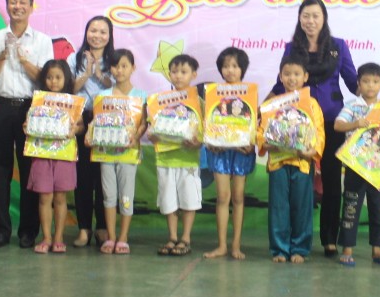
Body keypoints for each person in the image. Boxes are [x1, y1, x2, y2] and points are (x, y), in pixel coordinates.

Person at [272, 0, 357, 257]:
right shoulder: (292, 48)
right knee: (298, 183)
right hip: (297, 124)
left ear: (324, 18)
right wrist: (262, 110)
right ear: (299, 19)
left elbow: (354, 82)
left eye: (315, 16)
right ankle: (293, 240)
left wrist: (375, 102)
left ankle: (329, 238)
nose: (310, 21)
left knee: (331, 181)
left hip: (331, 122)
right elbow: (282, 83)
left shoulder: (338, 47)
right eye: (305, 16)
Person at [0, 0, 54, 249]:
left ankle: (28, 231)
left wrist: (23, 60)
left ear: (31, 7)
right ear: (7, 6)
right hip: (0, 107)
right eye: (13, 2)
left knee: (30, 171)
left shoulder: (42, 41)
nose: (18, 6)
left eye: (23, 2)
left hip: (30, 109)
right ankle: (0, 230)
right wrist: (3, 55)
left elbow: (47, 80)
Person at [261, 54, 325, 263]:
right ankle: (279, 249)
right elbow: (261, 131)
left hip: (302, 163)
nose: (292, 78)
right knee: (278, 207)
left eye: (297, 74)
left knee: (302, 207)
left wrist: (312, 151)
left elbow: (319, 132)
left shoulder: (312, 104)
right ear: (280, 76)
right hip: (278, 162)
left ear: (305, 77)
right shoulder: (272, 104)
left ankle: (299, 249)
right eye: (287, 74)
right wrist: (265, 143)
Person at [86, 48, 146, 255]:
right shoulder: (103, 96)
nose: (119, 70)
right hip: (105, 153)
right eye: (115, 66)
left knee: (126, 196)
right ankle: (111, 237)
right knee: (108, 196)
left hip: (129, 154)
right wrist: (89, 135)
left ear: (133, 68)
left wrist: (136, 136)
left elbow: (143, 123)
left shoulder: (140, 96)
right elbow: (96, 122)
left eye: (124, 66)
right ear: (109, 69)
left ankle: (123, 237)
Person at [334, 62, 380, 267]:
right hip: (356, 165)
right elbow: (338, 125)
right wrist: (355, 124)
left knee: (379, 208)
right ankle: (347, 249)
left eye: (375, 82)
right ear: (358, 83)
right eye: (366, 81)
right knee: (351, 206)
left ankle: (378, 250)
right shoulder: (352, 105)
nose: (370, 85)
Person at [203, 47, 255, 260]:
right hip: (220, 152)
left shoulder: (250, 94)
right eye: (225, 66)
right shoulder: (214, 94)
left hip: (242, 152)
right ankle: (222, 245)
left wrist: (252, 143)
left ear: (243, 69)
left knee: (238, 197)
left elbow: (254, 123)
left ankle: (236, 245)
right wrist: (211, 140)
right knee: (223, 196)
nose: (230, 70)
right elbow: (208, 121)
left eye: (235, 66)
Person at [147, 54, 203, 257]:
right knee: (168, 199)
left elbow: (205, 131)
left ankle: (185, 238)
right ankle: (172, 237)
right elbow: (152, 128)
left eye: (184, 72)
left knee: (189, 200)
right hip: (165, 158)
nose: (178, 76)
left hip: (188, 160)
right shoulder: (159, 101)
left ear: (193, 74)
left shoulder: (198, 102)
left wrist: (198, 142)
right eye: (174, 71)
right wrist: (152, 135)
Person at [26, 59, 81, 255]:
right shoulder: (38, 100)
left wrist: (76, 129)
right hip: (42, 154)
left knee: (60, 197)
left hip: (64, 155)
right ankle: (46, 238)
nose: (53, 81)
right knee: (44, 197)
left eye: (58, 77)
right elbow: (29, 122)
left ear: (66, 79)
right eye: (49, 77)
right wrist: (27, 126)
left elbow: (81, 125)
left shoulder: (72, 102)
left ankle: (58, 238)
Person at [72, 15, 116, 249]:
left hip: (107, 119)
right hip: (80, 118)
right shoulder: (74, 58)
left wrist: (99, 73)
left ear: (109, 36)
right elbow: (68, 88)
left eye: (102, 32)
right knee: (82, 176)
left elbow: (118, 87)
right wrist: (86, 73)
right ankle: (83, 228)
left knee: (104, 175)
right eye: (93, 30)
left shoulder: (115, 60)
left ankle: (102, 227)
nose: (97, 35)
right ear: (86, 32)